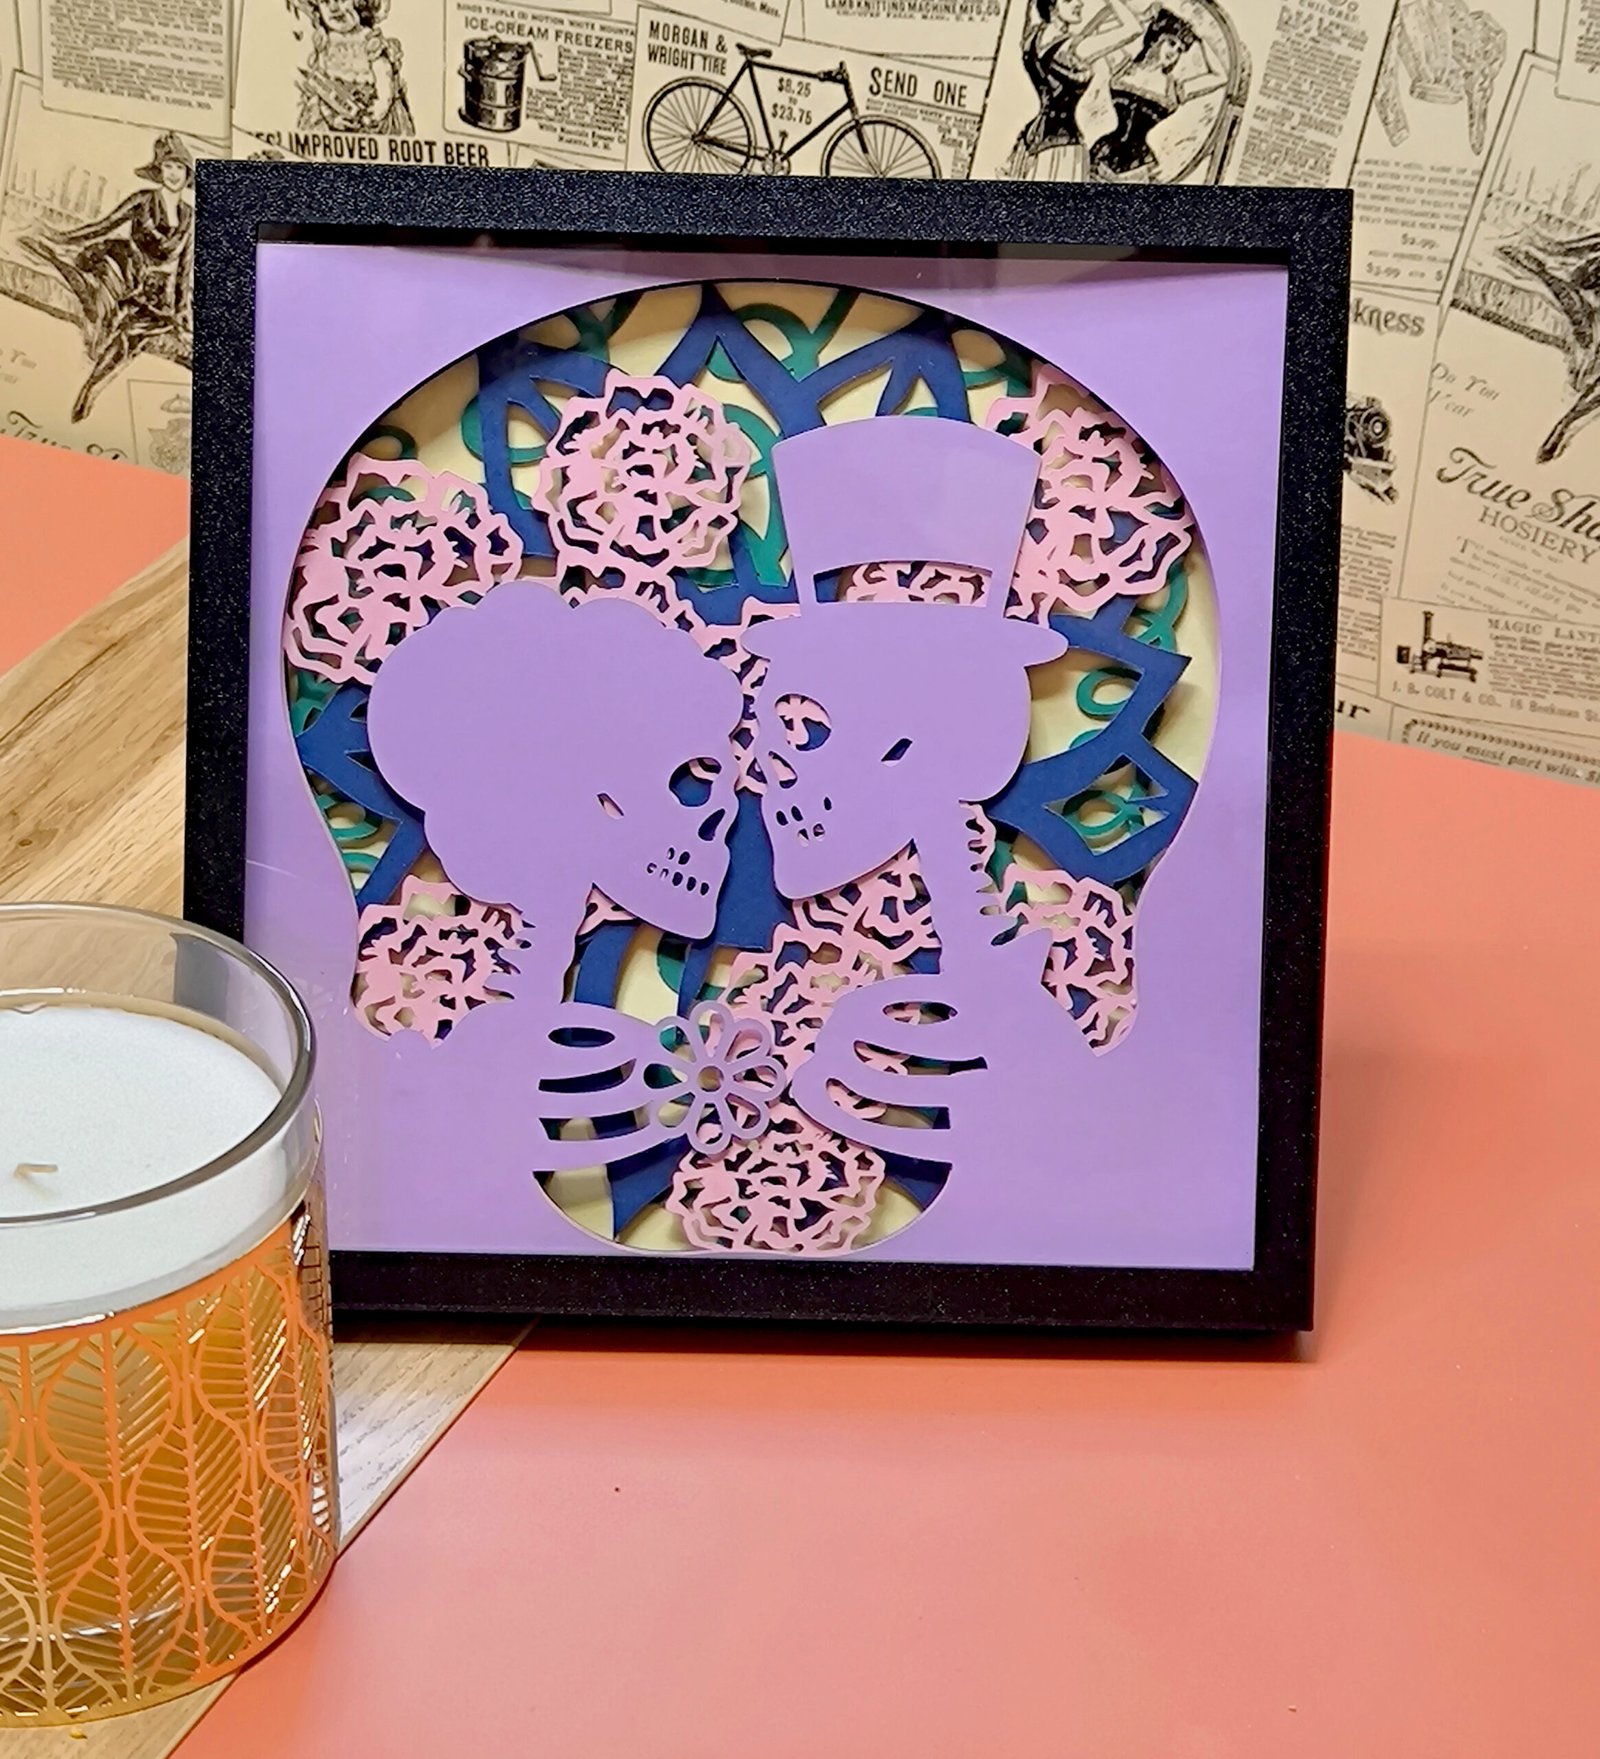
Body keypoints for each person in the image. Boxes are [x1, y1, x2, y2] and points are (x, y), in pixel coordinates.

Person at [20, 132, 194, 423]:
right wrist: (62, 238)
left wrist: (181, 309)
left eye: (179, 167)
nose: (174, 173)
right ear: (159, 171)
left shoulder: (189, 216)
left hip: (157, 291)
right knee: (98, 313)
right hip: (124, 270)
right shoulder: (142, 200)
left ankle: (90, 391)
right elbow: (103, 226)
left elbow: (184, 268)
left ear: (187, 174)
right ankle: (52, 255)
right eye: (168, 166)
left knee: (133, 337)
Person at [1009, 0, 1144, 179]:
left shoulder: (1032, 37)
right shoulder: (1076, 49)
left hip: (1030, 143)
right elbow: (1134, 29)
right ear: (1052, 5)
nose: (1079, 3)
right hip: (1063, 147)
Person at [1089, 8, 1226, 182]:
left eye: (1180, 50)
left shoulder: (1175, 88)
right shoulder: (1124, 67)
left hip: (1137, 167)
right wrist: (1144, 18)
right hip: (1102, 154)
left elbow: (1221, 76)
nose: (1174, 52)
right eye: (1171, 43)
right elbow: (1099, 32)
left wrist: (1200, 40)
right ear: (1156, 38)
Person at [295, 0, 415, 135]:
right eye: (325, 1)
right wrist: (333, 119)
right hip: (339, 119)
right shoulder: (325, 44)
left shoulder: (369, 40)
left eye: (341, 0)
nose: (333, 8)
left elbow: (384, 79)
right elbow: (322, 88)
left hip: (373, 117)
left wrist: (380, 108)